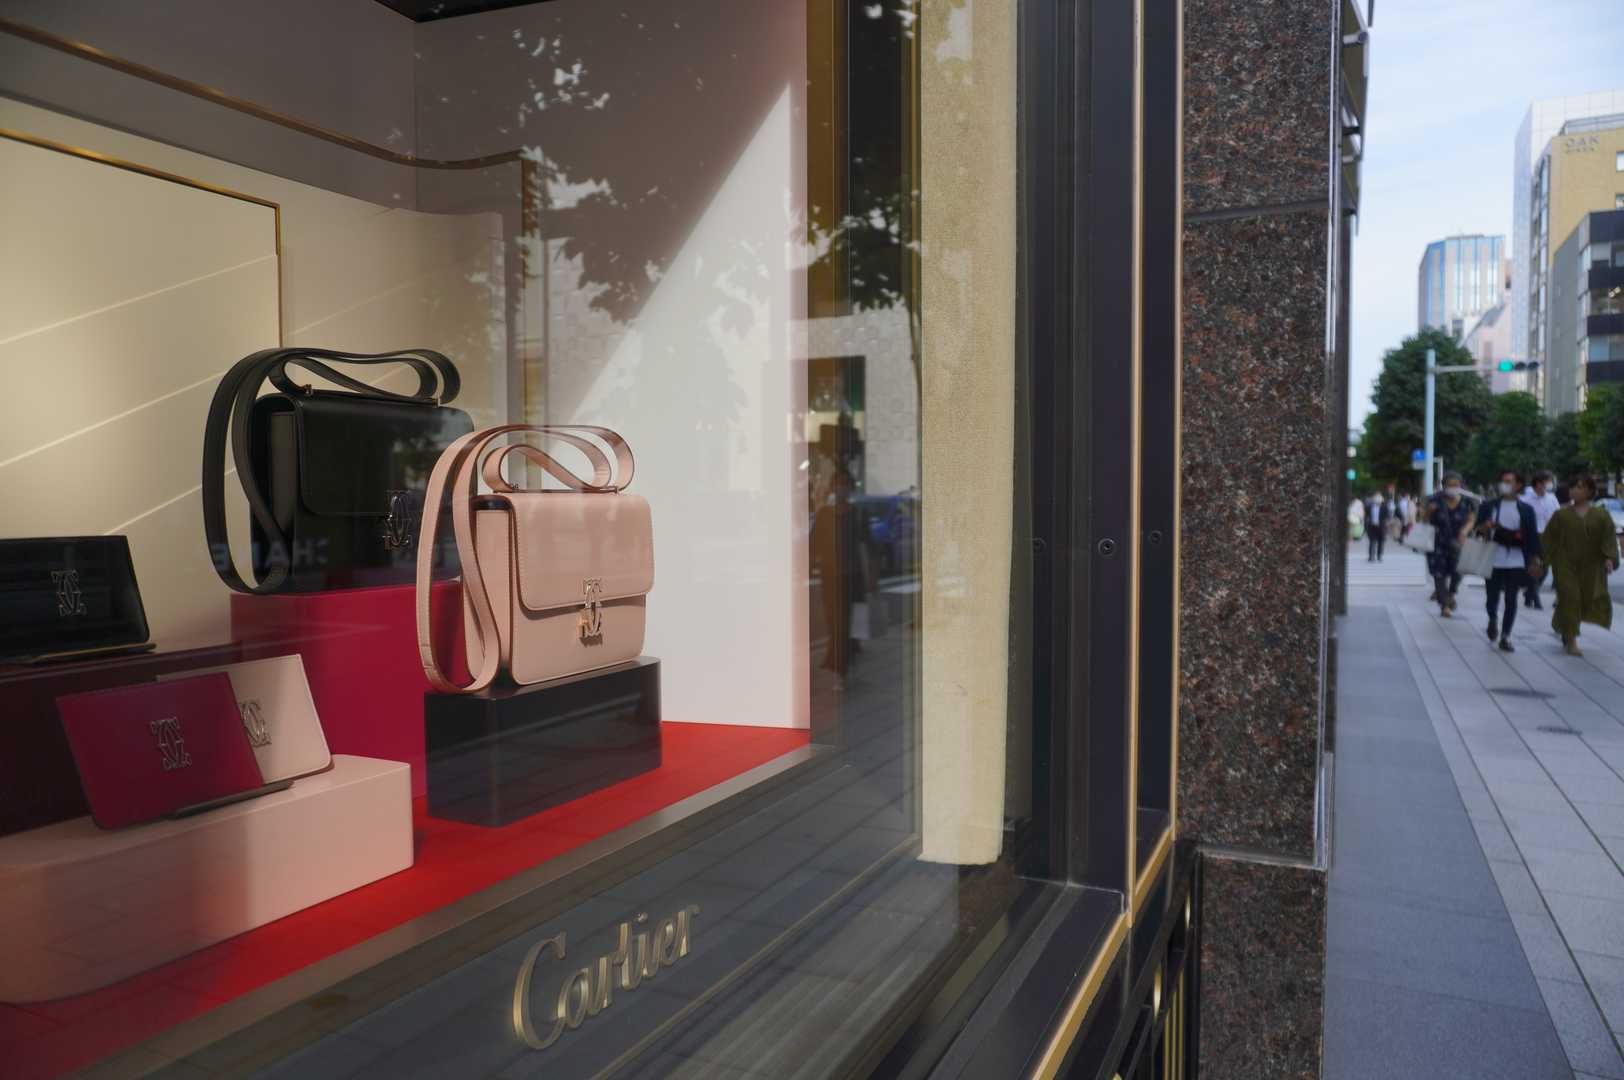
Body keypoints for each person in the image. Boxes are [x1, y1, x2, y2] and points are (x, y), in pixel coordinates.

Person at [1542, 472, 1619, 657]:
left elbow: (1608, 539)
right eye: (1572, 487)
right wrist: (1540, 562)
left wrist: (1609, 559)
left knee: (1584, 600)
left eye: (1579, 487)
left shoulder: (1601, 515)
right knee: (1571, 598)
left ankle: (1564, 627)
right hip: (1565, 564)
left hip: (1591, 566)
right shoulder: (1561, 515)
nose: (1574, 491)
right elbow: (1549, 540)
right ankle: (1572, 640)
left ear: (1590, 491)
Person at [1476, 468, 1543, 653]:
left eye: (1509, 481)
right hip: (1493, 557)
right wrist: (1485, 527)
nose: (1504, 485)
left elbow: (1532, 537)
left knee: (1511, 598)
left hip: (1516, 559)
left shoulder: (1526, 510)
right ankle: (1492, 619)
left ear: (1518, 485)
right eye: (1502, 481)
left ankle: (1506, 635)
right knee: (1491, 597)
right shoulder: (1489, 506)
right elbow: (1478, 530)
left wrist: (1536, 558)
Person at [1425, 472, 1476, 617]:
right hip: (1437, 543)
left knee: (1458, 572)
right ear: (1444, 486)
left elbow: (1471, 519)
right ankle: (1444, 605)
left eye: (1456, 485)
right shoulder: (1434, 500)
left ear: (1461, 485)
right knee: (1439, 574)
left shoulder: (1467, 501)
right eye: (1450, 485)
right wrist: (1429, 512)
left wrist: (1465, 531)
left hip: (1459, 542)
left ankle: (1451, 593)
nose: (1453, 488)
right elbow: (1424, 521)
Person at [1520, 470, 1560, 609]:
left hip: (1547, 536)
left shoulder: (1552, 498)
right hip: (1530, 535)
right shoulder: (1526, 498)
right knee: (1533, 566)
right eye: (1547, 482)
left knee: (1545, 569)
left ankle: (1529, 593)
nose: (1549, 485)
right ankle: (1535, 597)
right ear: (1538, 484)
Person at [1365, 490, 1392, 561]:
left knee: (1381, 542)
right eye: (1376, 496)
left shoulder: (1384, 507)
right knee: (1372, 541)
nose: (1377, 498)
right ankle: (1371, 556)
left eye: (1379, 497)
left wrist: (1387, 523)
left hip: (1381, 527)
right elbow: (1366, 515)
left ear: (1381, 498)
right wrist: (1367, 524)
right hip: (1372, 526)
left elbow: (1388, 516)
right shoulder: (1369, 506)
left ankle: (1379, 555)